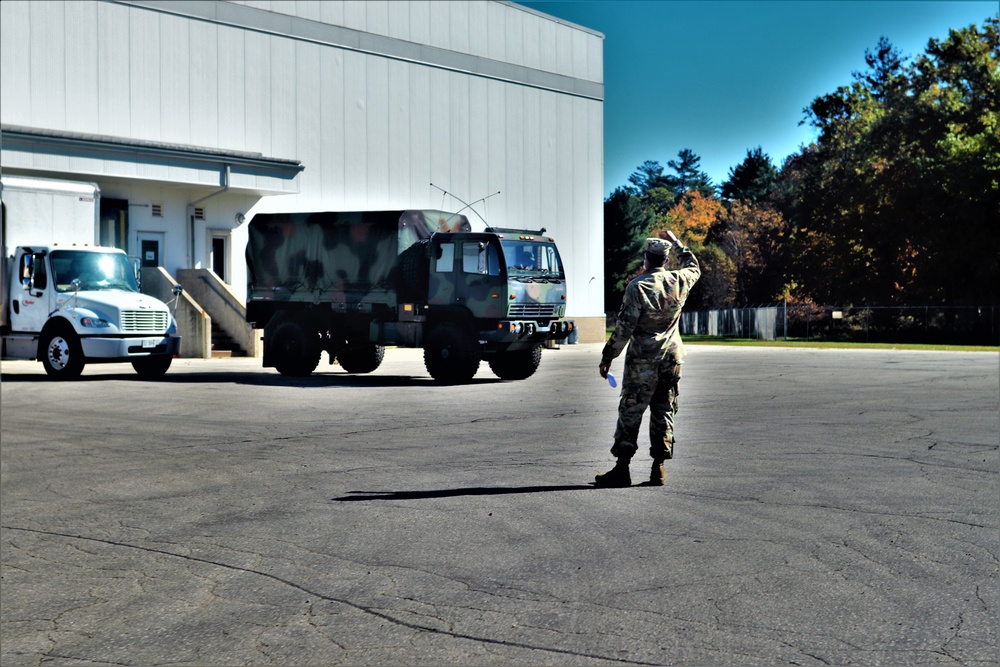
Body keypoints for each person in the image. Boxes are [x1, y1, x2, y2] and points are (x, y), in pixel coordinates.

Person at [596, 231, 701, 487]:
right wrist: (677, 243)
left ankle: (622, 469)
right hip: (672, 359)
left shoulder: (638, 286)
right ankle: (659, 468)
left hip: (643, 360)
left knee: (631, 411)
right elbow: (694, 266)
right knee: (664, 410)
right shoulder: (679, 280)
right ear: (665, 259)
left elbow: (624, 328)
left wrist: (608, 356)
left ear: (646, 258)